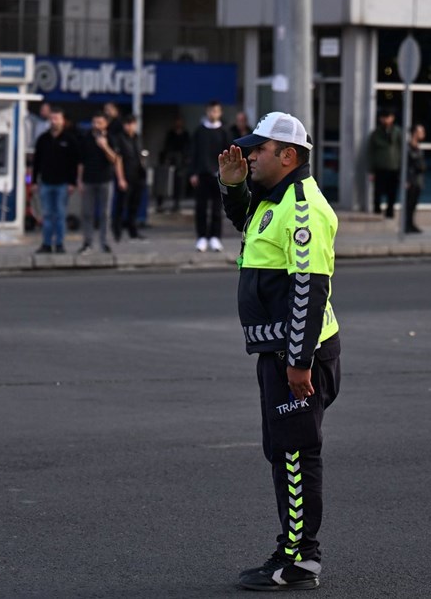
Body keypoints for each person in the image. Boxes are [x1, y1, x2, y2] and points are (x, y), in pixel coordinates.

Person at [217, 111, 341, 592]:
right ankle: (290, 550)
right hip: (280, 350)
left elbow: (309, 291)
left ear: (288, 156)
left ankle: (300, 561)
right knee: (282, 451)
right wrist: (234, 188)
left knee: (295, 453)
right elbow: (251, 227)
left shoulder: (307, 209)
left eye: (258, 149)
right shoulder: (275, 198)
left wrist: (298, 361)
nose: (248, 155)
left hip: (298, 355)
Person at [32, 107, 80, 254]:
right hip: (46, 182)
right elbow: (37, 162)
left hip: (62, 183)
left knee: (59, 215)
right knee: (46, 215)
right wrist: (34, 181)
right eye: (52, 119)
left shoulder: (69, 139)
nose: (54, 122)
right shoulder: (43, 139)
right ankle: (46, 244)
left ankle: (59, 244)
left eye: (57, 119)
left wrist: (72, 182)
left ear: (63, 121)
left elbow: (74, 163)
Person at [78, 111, 121, 254]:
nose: (96, 125)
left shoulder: (112, 138)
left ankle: (105, 242)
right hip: (88, 180)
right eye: (94, 122)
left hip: (105, 180)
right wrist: (79, 180)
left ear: (106, 124)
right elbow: (81, 162)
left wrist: (104, 146)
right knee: (87, 213)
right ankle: (87, 242)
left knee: (105, 214)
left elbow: (115, 159)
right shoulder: (86, 138)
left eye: (99, 123)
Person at [190, 100, 230, 252]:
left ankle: (215, 237)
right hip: (202, 174)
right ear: (207, 111)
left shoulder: (224, 132)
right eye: (211, 110)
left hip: (219, 175)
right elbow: (194, 153)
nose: (213, 113)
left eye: (216, 111)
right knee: (201, 207)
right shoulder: (199, 131)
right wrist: (193, 172)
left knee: (216, 208)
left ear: (220, 112)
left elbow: (229, 154)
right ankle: (201, 237)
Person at [112, 114, 147, 242]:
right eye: (127, 124)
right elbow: (118, 159)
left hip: (138, 176)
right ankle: (117, 232)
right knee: (121, 206)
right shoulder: (119, 139)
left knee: (134, 205)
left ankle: (133, 231)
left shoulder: (137, 138)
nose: (130, 127)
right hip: (125, 176)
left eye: (132, 123)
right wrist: (121, 178)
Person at [366, 107, 402, 219]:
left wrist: (401, 166)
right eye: (384, 118)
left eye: (389, 117)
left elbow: (401, 149)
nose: (386, 120)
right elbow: (370, 152)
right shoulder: (376, 133)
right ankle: (377, 209)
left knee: (392, 190)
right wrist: (371, 170)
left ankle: (390, 210)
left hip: (394, 166)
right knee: (378, 190)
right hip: (380, 167)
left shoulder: (397, 132)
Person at [157, 116, 189, 213]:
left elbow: (187, 148)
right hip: (170, 162)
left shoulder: (185, 134)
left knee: (178, 184)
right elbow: (166, 147)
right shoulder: (170, 134)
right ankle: (161, 204)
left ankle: (176, 204)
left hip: (180, 162)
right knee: (165, 183)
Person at [405, 123, 426, 234]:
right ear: (414, 133)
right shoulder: (408, 148)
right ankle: (407, 225)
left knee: (413, 204)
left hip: (418, 180)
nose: (423, 134)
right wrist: (406, 180)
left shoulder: (418, 148)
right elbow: (406, 165)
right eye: (420, 132)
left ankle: (411, 224)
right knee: (409, 203)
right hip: (411, 180)